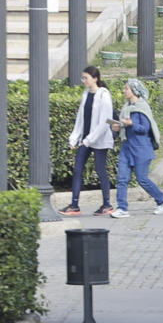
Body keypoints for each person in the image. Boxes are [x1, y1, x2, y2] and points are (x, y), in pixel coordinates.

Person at [62, 65, 116, 216]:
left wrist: (89, 139)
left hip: (98, 141)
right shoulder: (86, 94)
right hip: (85, 140)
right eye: (83, 78)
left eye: (86, 78)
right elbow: (81, 118)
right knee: (78, 169)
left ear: (95, 79)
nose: (83, 81)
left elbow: (106, 121)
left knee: (100, 170)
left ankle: (107, 204)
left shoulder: (104, 95)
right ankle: (74, 205)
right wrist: (74, 138)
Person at [112, 79, 163, 217]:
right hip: (127, 147)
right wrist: (118, 127)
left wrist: (131, 124)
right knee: (122, 178)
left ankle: (162, 200)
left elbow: (145, 129)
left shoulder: (142, 107)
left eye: (126, 88)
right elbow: (125, 126)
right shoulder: (126, 107)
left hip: (141, 148)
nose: (123, 91)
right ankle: (122, 208)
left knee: (142, 179)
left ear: (134, 91)